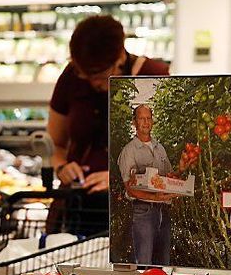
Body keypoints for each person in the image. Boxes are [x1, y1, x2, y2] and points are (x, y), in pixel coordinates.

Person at [47, 15, 170, 193]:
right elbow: (55, 144)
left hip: (135, 206)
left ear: (120, 57)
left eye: (100, 76)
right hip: (78, 205)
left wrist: (120, 178)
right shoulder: (72, 76)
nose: (93, 83)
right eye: (85, 75)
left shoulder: (151, 75)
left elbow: (167, 157)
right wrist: (62, 167)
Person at [117, 104, 178, 265]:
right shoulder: (129, 151)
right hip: (143, 211)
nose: (146, 122)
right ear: (134, 122)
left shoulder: (160, 149)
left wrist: (183, 167)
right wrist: (156, 197)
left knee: (163, 263)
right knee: (144, 263)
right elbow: (130, 189)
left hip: (163, 211)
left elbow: (169, 177)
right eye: (141, 118)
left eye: (148, 118)